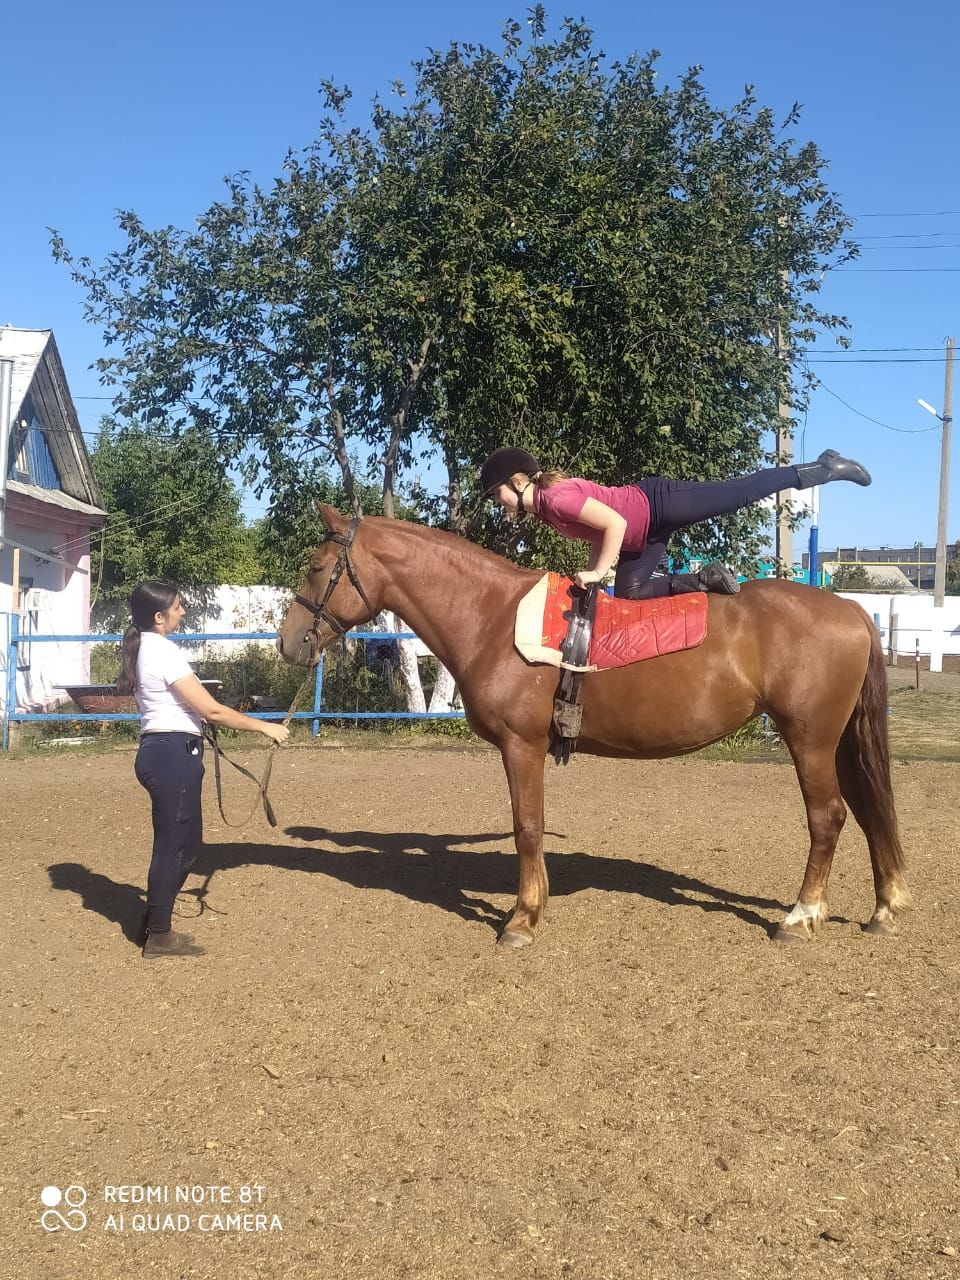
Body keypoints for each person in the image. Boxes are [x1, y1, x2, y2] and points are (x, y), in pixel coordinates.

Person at [117, 580, 289, 959]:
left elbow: (194, 709)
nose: (182, 612)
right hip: (171, 755)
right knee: (172, 846)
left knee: (189, 845)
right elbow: (210, 709)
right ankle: (159, 935)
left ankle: (154, 917)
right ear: (159, 617)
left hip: (171, 752)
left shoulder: (147, 647)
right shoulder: (162, 650)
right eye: (177, 607)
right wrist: (265, 727)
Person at [479, 447, 871, 599]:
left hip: (657, 504)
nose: (500, 504)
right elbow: (602, 531)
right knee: (630, 594)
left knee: (740, 492)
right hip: (643, 537)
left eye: (498, 495)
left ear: (516, 483)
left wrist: (598, 571)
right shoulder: (546, 509)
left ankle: (824, 468)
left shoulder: (554, 498)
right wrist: (594, 570)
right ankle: (704, 580)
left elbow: (613, 522)